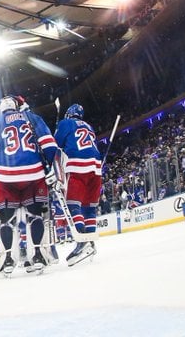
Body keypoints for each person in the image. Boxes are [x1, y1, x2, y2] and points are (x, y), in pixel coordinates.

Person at [0, 95, 58, 275]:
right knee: (36, 217)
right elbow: (49, 146)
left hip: (5, 178)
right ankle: (39, 254)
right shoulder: (33, 117)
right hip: (34, 174)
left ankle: (8, 259)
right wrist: (51, 167)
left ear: (0, 108)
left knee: (5, 221)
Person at [53, 103, 102, 266]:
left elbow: (56, 146)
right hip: (96, 168)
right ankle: (90, 241)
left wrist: (55, 135)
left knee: (73, 203)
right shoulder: (89, 126)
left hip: (77, 165)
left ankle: (82, 242)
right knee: (89, 207)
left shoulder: (65, 123)